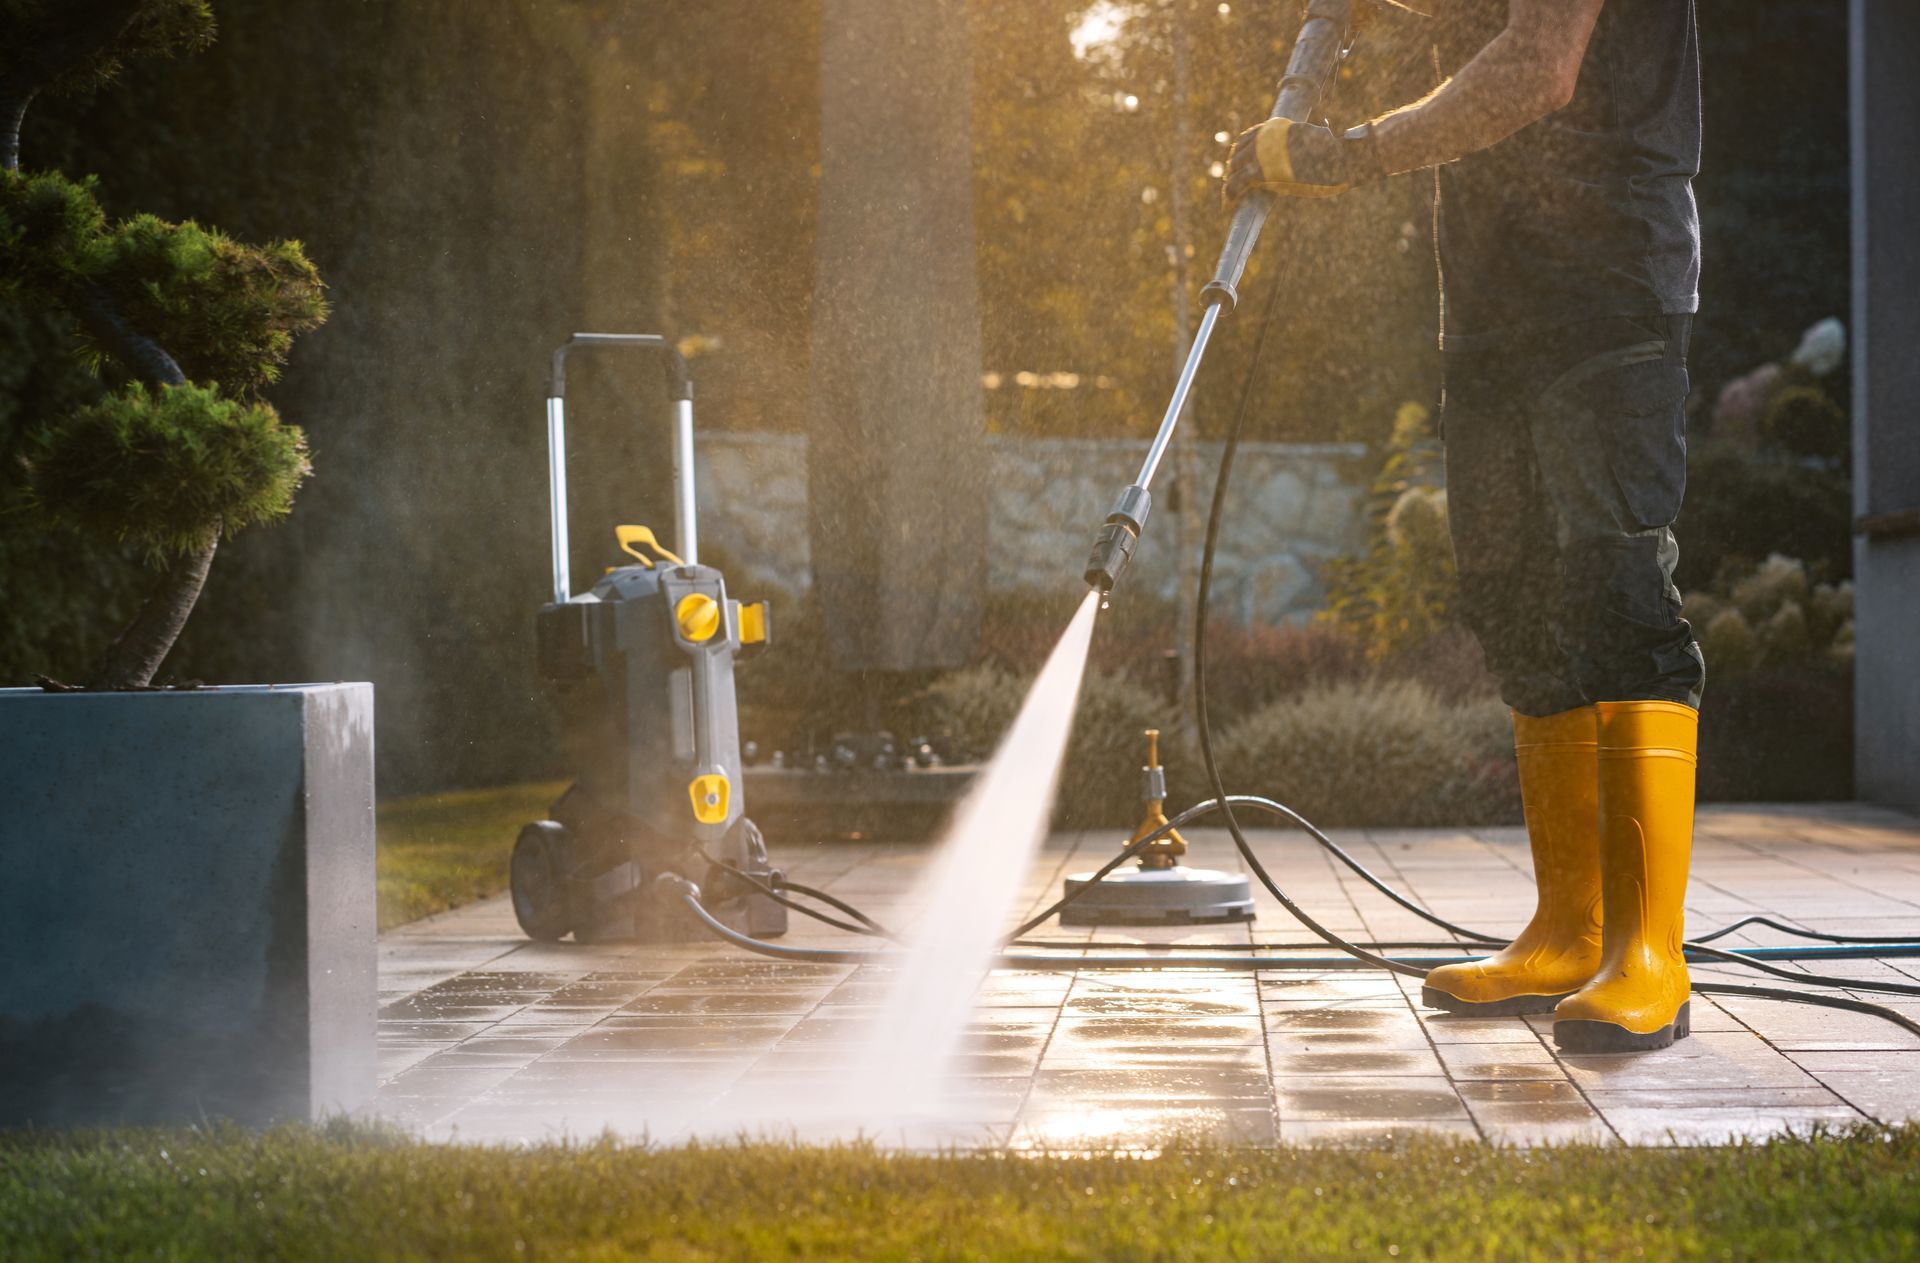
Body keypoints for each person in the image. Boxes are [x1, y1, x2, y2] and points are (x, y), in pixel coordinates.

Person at [1225, 0, 1704, 1053]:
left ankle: (1649, 958)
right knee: (1517, 596)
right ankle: (1570, 932)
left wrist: (1343, 154)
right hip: (1490, 301)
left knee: (1613, 588)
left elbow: (1539, 64)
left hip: (1607, 284)